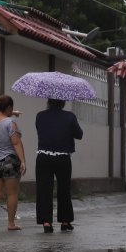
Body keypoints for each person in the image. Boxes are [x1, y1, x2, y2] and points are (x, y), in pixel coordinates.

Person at [35, 98, 83, 233]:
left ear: (49, 102)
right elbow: (79, 135)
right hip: (62, 157)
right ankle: (65, 221)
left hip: (43, 156)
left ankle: (46, 222)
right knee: (64, 188)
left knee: (44, 189)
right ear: (63, 102)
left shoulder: (40, 116)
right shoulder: (69, 117)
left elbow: (40, 130)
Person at [0, 95, 26, 231]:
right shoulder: (10, 123)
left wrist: (13, 113)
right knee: (12, 193)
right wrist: (23, 161)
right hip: (9, 161)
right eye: (11, 109)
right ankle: (11, 223)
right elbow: (16, 143)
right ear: (8, 107)